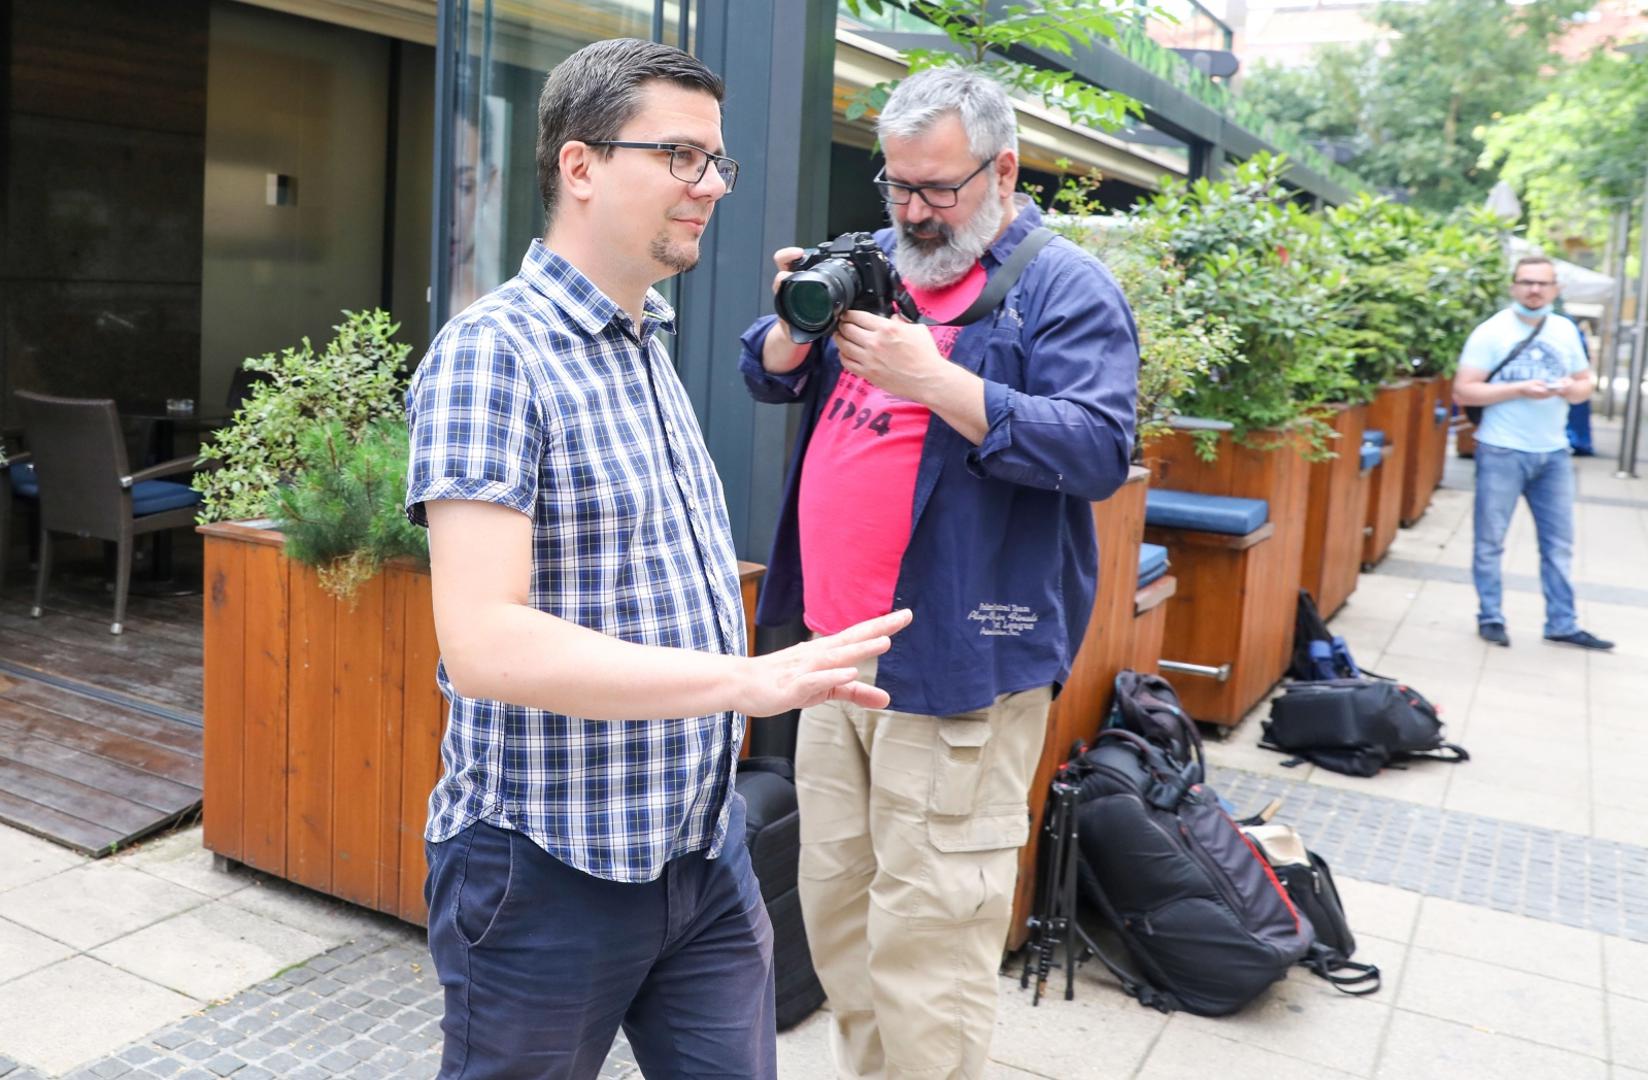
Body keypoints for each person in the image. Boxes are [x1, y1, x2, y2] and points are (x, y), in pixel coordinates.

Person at [404, 38, 911, 1080]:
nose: (711, 186)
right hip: (546, 868)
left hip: (698, 847)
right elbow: (486, 642)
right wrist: (747, 681)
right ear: (580, 166)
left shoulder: (647, 337)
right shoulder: (491, 354)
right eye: (681, 156)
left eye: (716, 162)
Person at [739, 66, 1138, 1080]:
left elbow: (1094, 449)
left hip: (960, 664)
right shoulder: (876, 259)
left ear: (1001, 170)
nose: (912, 214)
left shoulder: (1060, 285)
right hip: (836, 658)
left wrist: (938, 382)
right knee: (841, 929)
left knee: (928, 950)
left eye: (936, 190)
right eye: (896, 186)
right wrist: (792, 327)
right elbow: (764, 366)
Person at [1453, 255, 1612, 651]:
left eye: (1542, 283)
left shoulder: (1564, 330)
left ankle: (1562, 622)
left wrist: (1567, 390)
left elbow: (1583, 383)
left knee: (1558, 544)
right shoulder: (1491, 332)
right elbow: (1464, 390)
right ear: (1513, 286)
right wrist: (1519, 389)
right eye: (1526, 282)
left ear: (1555, 289)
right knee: (1490, 541)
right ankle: (1490, 615)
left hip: (1554, 453)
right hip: (1501, 450)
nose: (1534, 290)